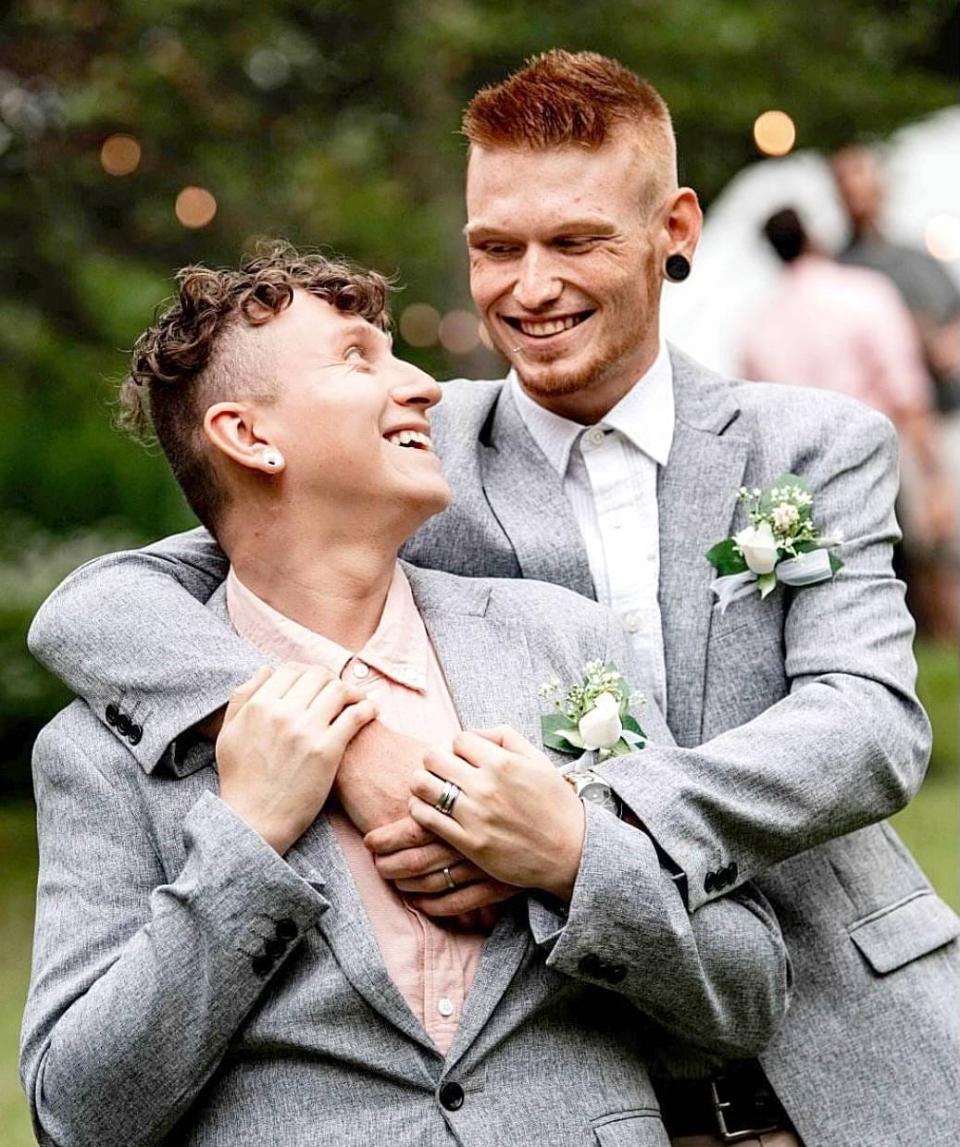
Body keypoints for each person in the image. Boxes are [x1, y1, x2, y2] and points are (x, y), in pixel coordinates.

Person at [27, 51, 960, 1147]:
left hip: (838, 1031)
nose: (528, 286)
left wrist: (578, 835)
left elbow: (867, 726)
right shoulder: (421, 458)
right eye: (493, 247)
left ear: (676, 230)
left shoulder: (809, 443)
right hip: (589, 1070)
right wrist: (344, 750)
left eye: (574, 242)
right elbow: (102, 604)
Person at [20, 253, 791, 1147]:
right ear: (248, 434)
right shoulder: (98, 753)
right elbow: (77, 1114)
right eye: (358, 357)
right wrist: (244, 845)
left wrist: (574, 862)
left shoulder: (559, 642)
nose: (425, 386)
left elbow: (748, 998)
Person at [740, 205, 955, 562]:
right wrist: (934, 480)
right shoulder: (864, 293)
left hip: (812, 485)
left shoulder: (758, 329)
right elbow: (906, 392)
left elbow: (765, 427)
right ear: (812, 238)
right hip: (881, 467)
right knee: (912, 583)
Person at [832, 143, 960, 638]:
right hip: (897, 421)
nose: (859, 191)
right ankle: (940, 633)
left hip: (947, 411)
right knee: (923, 540)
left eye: (864, 178)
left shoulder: (916, 256)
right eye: (848, 182)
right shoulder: (843, 268)